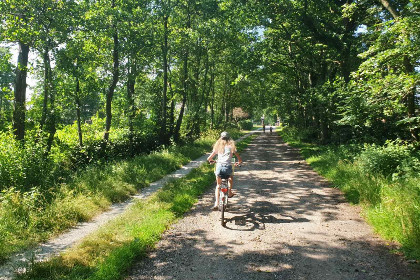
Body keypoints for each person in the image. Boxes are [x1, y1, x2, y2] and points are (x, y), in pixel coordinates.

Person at [207, 131, 243, 210]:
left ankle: (216, 203)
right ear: (229, 139)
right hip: (228, 167)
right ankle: (229, 192)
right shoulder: (231, 147)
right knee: (230, 177)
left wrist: (212, 161)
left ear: (221, 138)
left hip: (219, 167)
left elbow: (209, 158)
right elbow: (239, 159)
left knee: (218, 185)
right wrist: (239, 162)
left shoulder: (217, 147)